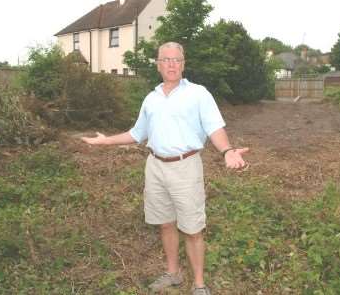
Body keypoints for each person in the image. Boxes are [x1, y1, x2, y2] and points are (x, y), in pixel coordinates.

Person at [81, 41, 248, 295]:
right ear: (158, 64)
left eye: (176, 59)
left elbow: (215, 127)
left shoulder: (198, 93)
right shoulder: (151, 98)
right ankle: (173, 273)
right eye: (166, 59)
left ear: (183, 64)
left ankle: (199, 285)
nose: (171, 64)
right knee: (165, 223)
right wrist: (105, 142)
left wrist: (227, 151)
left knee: (192, 229)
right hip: (155, 167)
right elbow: (137, 134)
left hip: (186, 168)